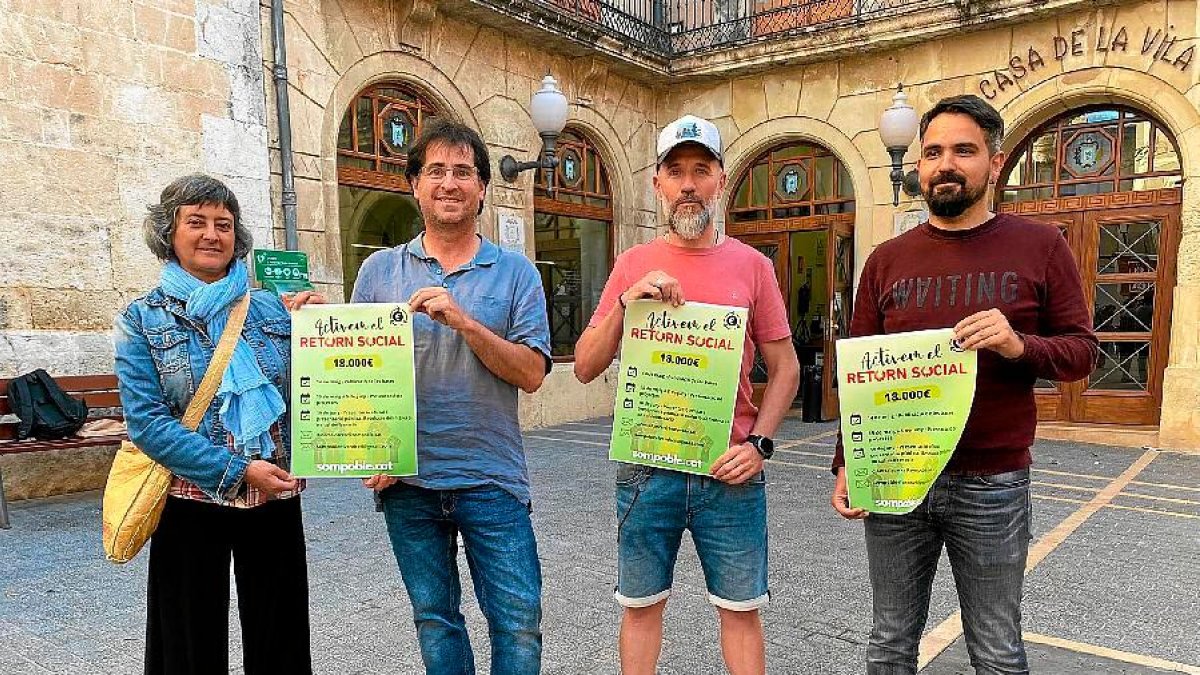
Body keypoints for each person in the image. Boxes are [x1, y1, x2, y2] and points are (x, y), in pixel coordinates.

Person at [829, 95, 1099, 674]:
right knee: (890, 641)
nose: (945, 164)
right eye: (932, 152)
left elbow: (1082, 354)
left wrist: (1017, 343)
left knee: (996, 647)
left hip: (992, 482)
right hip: (897, 473)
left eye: (963, 150)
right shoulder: (886, 260)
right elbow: (859, 372)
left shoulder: (1041, 246)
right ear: (919, 166)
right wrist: (846, 461)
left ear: (994, 163)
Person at [574, 114, 800, 675]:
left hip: (730, 471)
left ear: (721, 179)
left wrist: (761, 446)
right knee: (641, 607)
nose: (689, 183)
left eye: (701, 169)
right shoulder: (632, 264)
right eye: (676, 171)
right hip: (647, 465)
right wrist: (628, 302)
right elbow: (583, 366)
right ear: (657, 185)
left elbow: (786, 367)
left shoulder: (753, 266)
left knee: (742, 612)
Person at [351, 119, 551, 675]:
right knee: (435, 620)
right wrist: (372, 451)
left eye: (463, 172)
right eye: (435, 170)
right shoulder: (378, 270)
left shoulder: (516, 273)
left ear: (483, 187)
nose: (449, 182)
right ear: (414, 184)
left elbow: (533, 373)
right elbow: (359, 378)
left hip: (491, 478)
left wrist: (466, 323)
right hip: (408, 483)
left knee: (518, 621)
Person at [114, 174, 318, 675]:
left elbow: (314, 390)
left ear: (237, 237)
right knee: (188, 642)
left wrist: (320, 327)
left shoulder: (271, 307)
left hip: (273, 494)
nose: (212, 234)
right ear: (170, 233)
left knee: (281, 640)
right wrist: (237, 469)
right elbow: (147, 424)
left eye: (223, 224)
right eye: (196, 222)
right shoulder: (141, 318)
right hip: (190, 500)